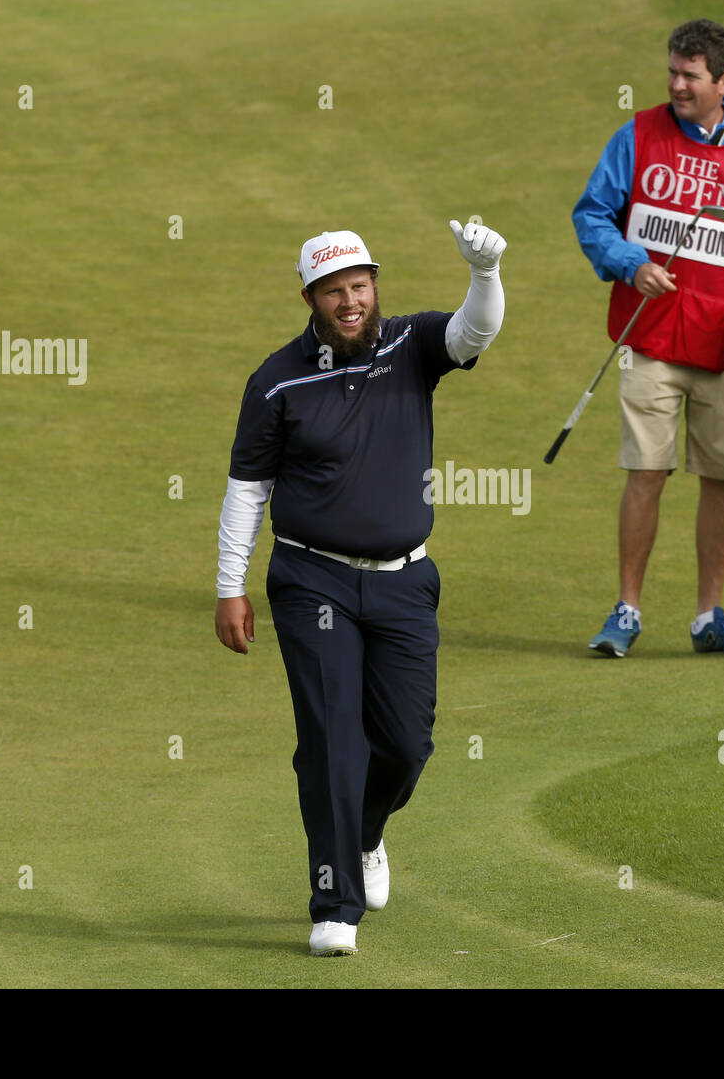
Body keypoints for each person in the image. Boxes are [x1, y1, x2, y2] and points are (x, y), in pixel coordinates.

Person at [214, 221, 506, 956]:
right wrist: (230, 587)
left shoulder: (410, 346)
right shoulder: (277, 380)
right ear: (310, 297)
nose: (351, 301)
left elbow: (475, 334)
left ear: (375, 286)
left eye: (360, 286)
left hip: (406, 581)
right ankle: (334, 901)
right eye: (335, 291)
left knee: (407, 745)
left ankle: (368, 833)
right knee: (332, 742)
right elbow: (248, 490)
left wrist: (485, 272)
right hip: (312, 577)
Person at [572, 17, 724, 658]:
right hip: (650, 339)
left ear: (723, 81)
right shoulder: (638, 134)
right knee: (646, 473)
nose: (677, 84)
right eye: (673, 71)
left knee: (721, 478)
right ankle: (626, 612)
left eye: (691, 75)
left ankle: (709, 618)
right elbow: (592, 212)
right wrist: (630, 262)